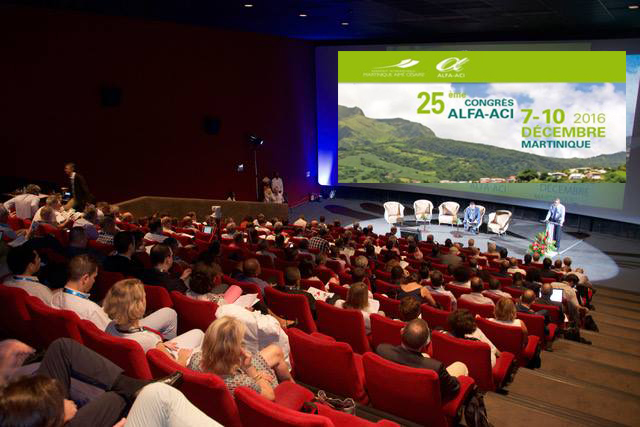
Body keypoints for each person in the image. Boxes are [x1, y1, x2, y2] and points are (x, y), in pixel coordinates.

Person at [0, 337, 188, 427]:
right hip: (36, 418)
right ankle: (139, 390)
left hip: (21, 410)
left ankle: (137, 386)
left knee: (61, 347)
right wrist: (55, 413)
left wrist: (2, 373)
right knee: (117, 398)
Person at [52, 255, 178, 338]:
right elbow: (113, 332)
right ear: (85, 278)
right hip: (124, 335)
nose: (94, 281)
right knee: (169, 313)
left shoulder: (55, 296)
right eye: (94, 277)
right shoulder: (91, 310)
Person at [188, 317, 293, 399]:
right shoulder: (242, 382)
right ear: (232, 352)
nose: (243, 347)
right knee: (273, 363)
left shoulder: (196, 359)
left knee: (275, 351)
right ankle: (292, 387)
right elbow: (270, 396)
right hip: (254, 382)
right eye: (241, 343)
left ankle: (291, 383)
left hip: (233, 369)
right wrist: (253, 372)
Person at [103, 279, 204, 365]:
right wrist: (183, 356)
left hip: (155, 353)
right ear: (138, 305)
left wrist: (161, 345)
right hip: (171, 366)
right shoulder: (149, 341)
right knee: (200, 335)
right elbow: (175, 368)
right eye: (144, 297)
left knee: (198, 332)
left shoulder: (110, 326)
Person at [376, 319, 467, 402]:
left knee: (426, 356)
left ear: (401, 332)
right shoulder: (435, 368)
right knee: (460, 365)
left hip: (390, 397)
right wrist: (457, 380)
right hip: (424, 404)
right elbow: (454, 388)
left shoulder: (382, 350)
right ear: (425, 343)